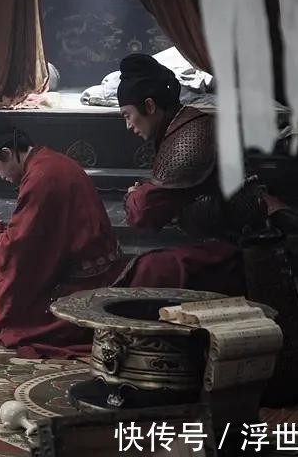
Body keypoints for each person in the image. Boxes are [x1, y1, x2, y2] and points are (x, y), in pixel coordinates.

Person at [115, 53, 276, 295]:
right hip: (221, 242)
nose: (128, 125)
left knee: (149, 270)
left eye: (128, 115)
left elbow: (144, 213)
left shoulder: (190, 137)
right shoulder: (183, 124)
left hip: (238, 253)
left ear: (149, 106)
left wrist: (132, 196)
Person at [0, 109, 122, 358]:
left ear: (7, 153)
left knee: (15, 332)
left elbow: (17, 248)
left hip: (87, 284)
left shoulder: (41, 178)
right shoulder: (48, 161)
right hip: (100, 270)